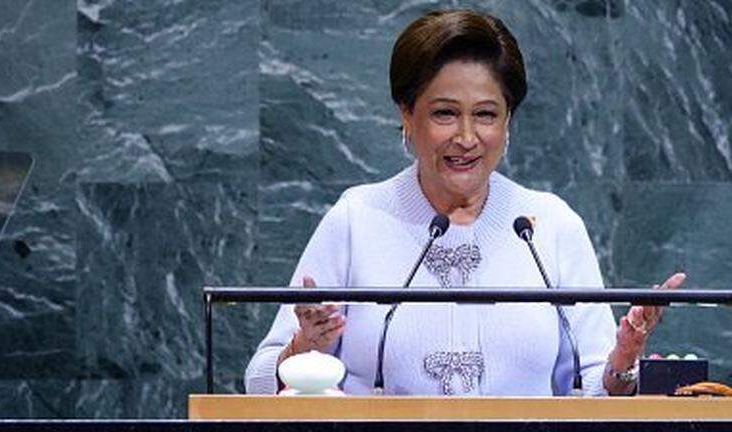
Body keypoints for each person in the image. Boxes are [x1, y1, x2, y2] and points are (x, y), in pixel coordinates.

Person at [245, 9, 685, 396]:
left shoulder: (549, 225)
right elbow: (259, 381)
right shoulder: (357, 220)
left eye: (486, 114)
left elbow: (595, 390)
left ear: (508, 120)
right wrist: (305, 349)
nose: (467, 137)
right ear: (406, 113)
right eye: (445, 113)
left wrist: (623, 363)